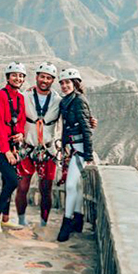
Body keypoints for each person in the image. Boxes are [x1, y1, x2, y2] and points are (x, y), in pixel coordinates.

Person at [14, 61, 62, 230]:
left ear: (52, 80)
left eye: (49, 78)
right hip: (27, 147)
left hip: (47, 149)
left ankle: (44, 222)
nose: (45, 80)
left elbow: (71, 116)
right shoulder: (24, 97)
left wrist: (89, 121)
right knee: (23, 186)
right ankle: (20, 220)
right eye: (42, 77)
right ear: (37, 77)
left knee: (46, 188)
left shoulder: (58, 101)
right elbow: (9, 110)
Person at [56, 67, 98, 242]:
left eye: (68, 82)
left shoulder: (79, 101)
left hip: (80, 151)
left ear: (75, 84)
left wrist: (88, 156)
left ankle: (66, 222)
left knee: (71, 186)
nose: (64, 86)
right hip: (73, 149)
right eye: (62, 83)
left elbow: (86, 129)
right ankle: (78, 219)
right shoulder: (67, 101)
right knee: (77, 187)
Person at [0, 61, 27, 232]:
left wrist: (20, 134)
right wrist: (7, 151)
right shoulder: (0, 96)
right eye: (14, 75)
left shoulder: (20, 98)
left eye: (20, 76)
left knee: (7, 181)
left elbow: (21, 119)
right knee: (12, 180)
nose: (17, 78)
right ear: (8, 77)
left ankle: (5, 218)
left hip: (11, 144)